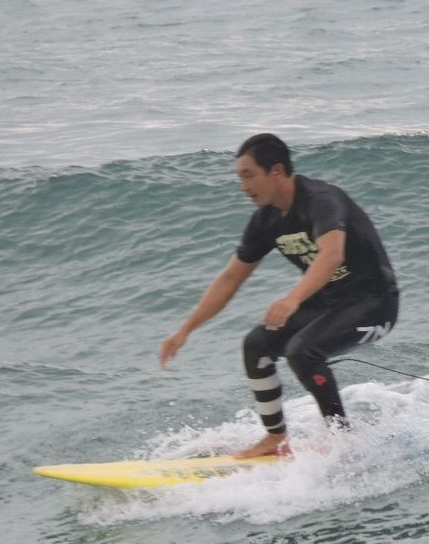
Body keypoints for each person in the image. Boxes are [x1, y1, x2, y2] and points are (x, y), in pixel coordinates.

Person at [159, 134, 398, 457]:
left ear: (276, 171)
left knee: (302, 351)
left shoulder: (321, 200)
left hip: (374, 304)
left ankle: (343, 440)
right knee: (257, 344)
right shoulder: (265, 221)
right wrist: (186, 329)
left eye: (248, 175)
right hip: (330, 303)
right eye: (239, 177)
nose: (243, 186)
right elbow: (231, 279)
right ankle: (275, 438)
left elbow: (332, 255)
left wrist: (293, 299)